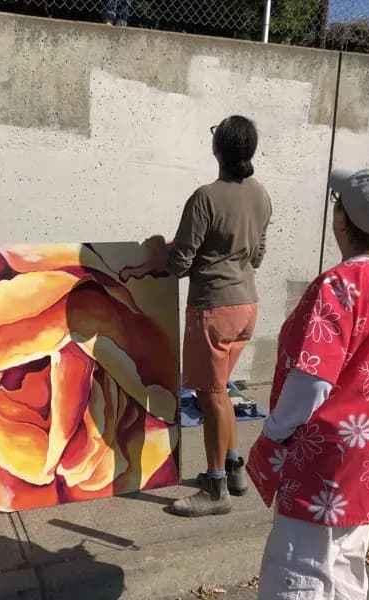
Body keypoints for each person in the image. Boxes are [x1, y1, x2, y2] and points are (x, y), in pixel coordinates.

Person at [246, 168, 369, 599]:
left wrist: (275, 433)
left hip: (325, 459)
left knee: (299, 568)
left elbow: (312, 381)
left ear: (341, 220)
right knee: (348, 560)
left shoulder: (337, 287)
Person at [138, 116, 272, 517]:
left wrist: (158, 248)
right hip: (246, 305)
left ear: (218, 150)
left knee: (210, 395)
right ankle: (233, 467)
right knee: (220, 391)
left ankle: (215, 488)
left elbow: (179, 264)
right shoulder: (261, 195)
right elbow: (258, 255)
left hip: (213, 307)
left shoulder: (206, 197)